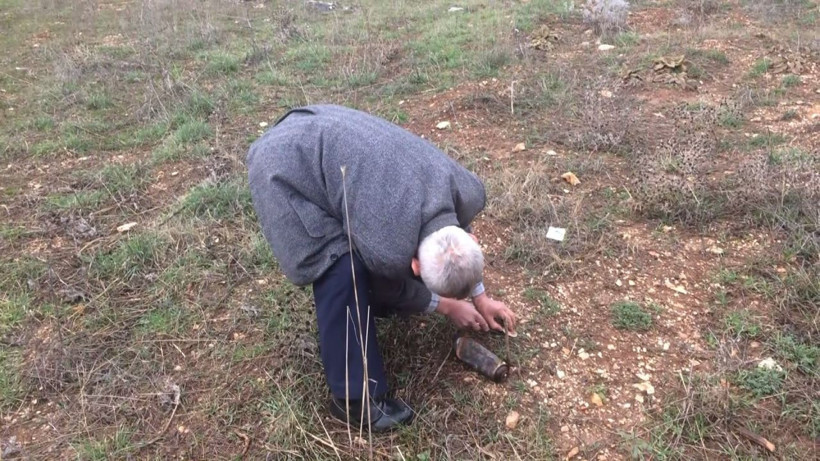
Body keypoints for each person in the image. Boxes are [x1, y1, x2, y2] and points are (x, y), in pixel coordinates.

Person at [246, 104, 517, 432]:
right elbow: (389, 285)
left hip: (327, 133)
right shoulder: (387, 248)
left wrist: (480, 297)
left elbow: (458, 245)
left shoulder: (466, 191)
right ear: (414, 264)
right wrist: (447, 306)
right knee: (340, 268)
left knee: (362, 264)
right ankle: (354, 401)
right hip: (283, 166)